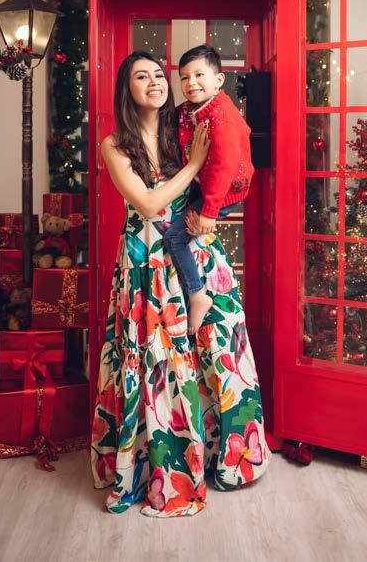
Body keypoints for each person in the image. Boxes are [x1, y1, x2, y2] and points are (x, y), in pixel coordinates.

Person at [91, 51, 271, 517]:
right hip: (147, 262)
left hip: (196, 250)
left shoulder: (184, 125)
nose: (155, 81)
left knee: (221, 349)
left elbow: (232, 154)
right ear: (127, 89)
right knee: (159, 361)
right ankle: (159, 467)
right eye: (141, 76)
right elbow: (149, 204)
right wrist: (192, 166)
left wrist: (215, 205)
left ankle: (228, 460)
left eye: (158, 73)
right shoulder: (115, 145)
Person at [164, 44, 254, 335]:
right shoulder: (192, 109)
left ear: (219, 80)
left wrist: (209, 211)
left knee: (175, 238)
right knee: (184, 228)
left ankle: (197, 293)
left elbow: (223, 167)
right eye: (184, 77)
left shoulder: (221, 116)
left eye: (199, 75)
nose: (191, 82)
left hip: (223, 192)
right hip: (204, 185)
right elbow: (177, 123)